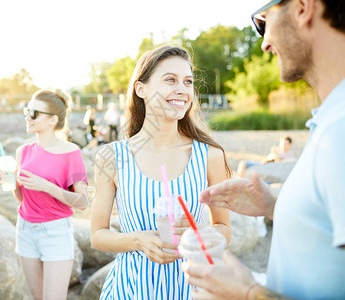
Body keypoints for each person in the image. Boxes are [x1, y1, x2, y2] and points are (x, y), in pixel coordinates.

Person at [182, 0, 345, 299]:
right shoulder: (330, 120)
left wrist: (248, 292)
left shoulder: (340, 130)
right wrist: (274, 206)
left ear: (302, 8)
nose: (265, 43)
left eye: (262, 22)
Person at [90, 45, 232, 299]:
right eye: (170, 80)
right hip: (130, 290)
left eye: (188, 82)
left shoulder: (210, 156)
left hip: (192, 290)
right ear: (140, 89)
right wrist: (137, 241)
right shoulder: (112, 156)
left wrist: (199, 233)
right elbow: (97, 235)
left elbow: (224, 228)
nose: (182, 89)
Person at [8, 89, 89, 300]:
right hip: (25, 230)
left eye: (34, 113)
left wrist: (46, 185)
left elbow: (83, 202)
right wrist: (10, 182)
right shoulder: (22, 152)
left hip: (55, 232)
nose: (28, 116)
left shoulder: (71, 153)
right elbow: (23, 199)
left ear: (53, 120)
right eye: (27, 110)